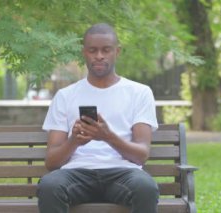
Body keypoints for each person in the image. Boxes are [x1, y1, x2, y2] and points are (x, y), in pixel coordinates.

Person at [37, 23, 159, 213]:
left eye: (106, 50)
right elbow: (52, 162)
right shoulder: (65, 96)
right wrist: (74, 141)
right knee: (49, 186)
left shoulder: (139, 93)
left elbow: (141, 155)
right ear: (84, 53)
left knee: (146, 187)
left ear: (117, 52)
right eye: (93, 50)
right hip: (77, 173)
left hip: (123, 174)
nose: (99, 56)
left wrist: (108, 136)